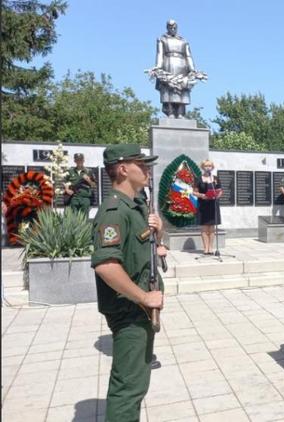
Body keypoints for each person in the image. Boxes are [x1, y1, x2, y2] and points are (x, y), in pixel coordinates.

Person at [91, 144, 165, 420]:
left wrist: (160, 232)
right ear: (123, 169)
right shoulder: (114, 211)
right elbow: (106, 265)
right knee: (128, 387)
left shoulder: (136, 205)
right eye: (141, 165)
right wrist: (144, 297)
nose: (147, 169)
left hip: (141, 309)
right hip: (129, 309)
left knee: (138, 380)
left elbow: (147, 246)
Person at [152, 20, 197, 118]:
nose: (172, 29)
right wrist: (158, 67)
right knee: (168, 87)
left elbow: (188, 56)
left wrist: (192, 69)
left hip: (182, 65)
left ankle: (181, 112)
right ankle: (171, 111)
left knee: (183, 87)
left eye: (174, 28)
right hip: (168, 64)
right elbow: (160, 54)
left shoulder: (183, 41)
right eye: (170, 27)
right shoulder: (162, 39)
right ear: (167, 28)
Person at [194, 160, 223, 255]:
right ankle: (205, 248)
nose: (208, 167)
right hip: (203, 205)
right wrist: (202, 195)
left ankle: (211, 248)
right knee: (204, 228)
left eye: (210, 165)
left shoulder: (215, 178)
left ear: (212, 167)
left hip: (213, 205)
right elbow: (194, 192)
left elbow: (220, 190)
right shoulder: (198, 179)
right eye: (206, 166)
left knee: (211, 228)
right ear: (203, 167)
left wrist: (217, 195)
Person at [64, 153, 96, 217]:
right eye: (77, 160)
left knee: (84, 218)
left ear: (83, 160)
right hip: (74, 198)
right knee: (73, 218)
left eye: (81, 160)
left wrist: (88, 180)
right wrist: (67, 189)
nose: (79, 162)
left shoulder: (89, 171)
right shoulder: (70, 171)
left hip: (85, 198)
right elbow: (65, 182)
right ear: (75, 161)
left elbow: (94, 185)